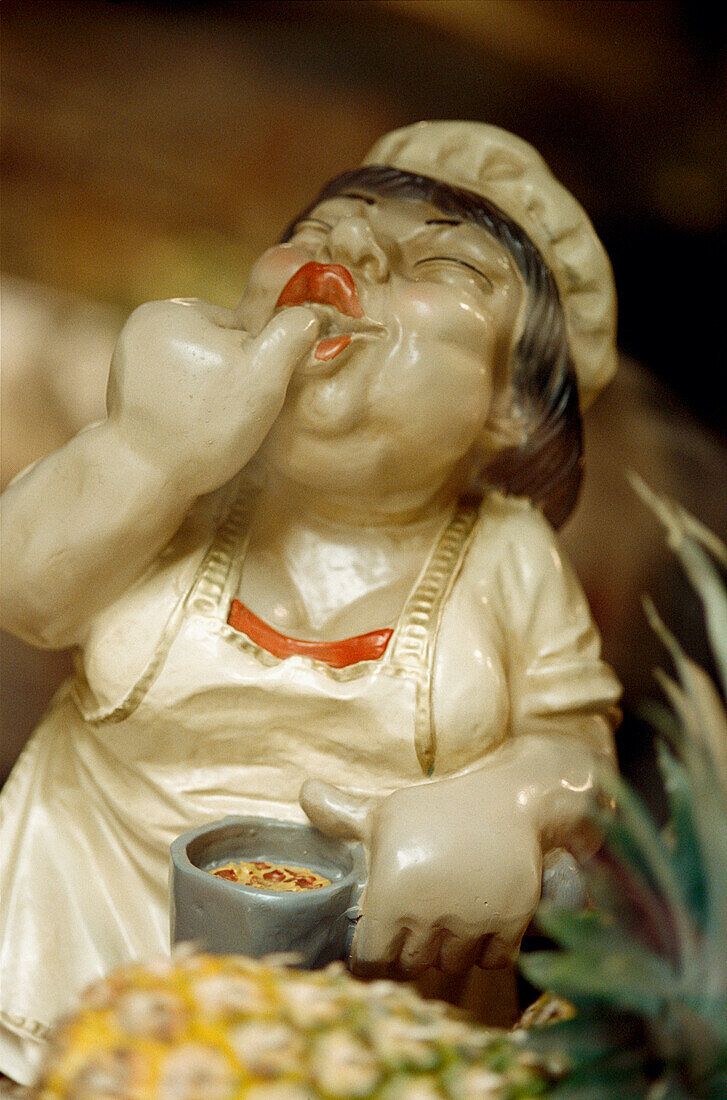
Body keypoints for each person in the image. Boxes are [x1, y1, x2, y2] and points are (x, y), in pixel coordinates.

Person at [0, 121, 621, 1085]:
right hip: (66, 953)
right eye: (325, 230)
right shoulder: (188, 482)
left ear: (512, 405)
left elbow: (580, 747)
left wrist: (511, 803)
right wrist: (144, 452)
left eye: (446, 266)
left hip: (352, 1021)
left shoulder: (509, 557)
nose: (355, 253)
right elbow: (26, 597)